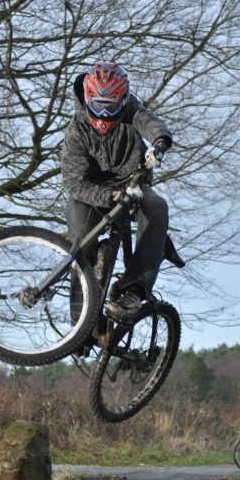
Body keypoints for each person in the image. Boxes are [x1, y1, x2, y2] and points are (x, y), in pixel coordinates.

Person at [61, 60, 173, 322]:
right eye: (97, 106)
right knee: (81, 238)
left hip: (131, 184)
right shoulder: (77, 131)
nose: (103, 114)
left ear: (122, 100)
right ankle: (79, 321)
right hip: (89, 193)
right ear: (88, 99)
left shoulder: (131, 111)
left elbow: (149, 121)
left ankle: (134, 289)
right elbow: (74, 182)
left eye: (111, 106)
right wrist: (108, 196)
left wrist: (159, 143)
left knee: (156, 207)